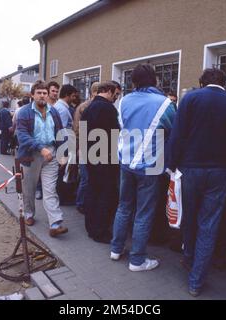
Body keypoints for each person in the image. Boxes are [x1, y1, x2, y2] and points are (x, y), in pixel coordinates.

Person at [167, 68, 226, 296]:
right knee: (209, 225)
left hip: (190, 169)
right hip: (220, 172)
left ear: (202, 82)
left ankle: (188, 257)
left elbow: (178, 135)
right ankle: (196, 281)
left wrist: (171, 165)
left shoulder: (190, 98)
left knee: (189, 216)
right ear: (224, 82)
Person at [111, 64, 175, 271]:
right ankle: (137, 260)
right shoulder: (165, 103)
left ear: (133, 82)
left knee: (124, 206)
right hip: (149, 165)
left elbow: (123, 126)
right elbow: (174, 130)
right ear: (155, 80)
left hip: (126, 162)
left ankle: (116, 248)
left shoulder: (123, 101)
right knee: (143, 213)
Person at [16, 80, 68, 237]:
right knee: (29, 189)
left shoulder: (54, 112)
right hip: (31, 155)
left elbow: (60, 132)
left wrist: (62, 153)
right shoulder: (24, 112)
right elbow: (22, 135)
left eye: (44, 93)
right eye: (39, 92)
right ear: (32, 95)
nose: (42, 95)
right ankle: (29, 214)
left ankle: (55, 223)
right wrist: (40, 148)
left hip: (51, 154)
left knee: (50, 190)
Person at [80, 81, 120, 243]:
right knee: (105, 195)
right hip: (105, 158)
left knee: (92, 191)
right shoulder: (108, 108)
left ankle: (91, 227)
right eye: (116, 94)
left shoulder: (89, 107)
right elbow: (114, 134)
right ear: (109, 91)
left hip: (91, 155)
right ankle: (100, 231)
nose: (116, 98)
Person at [73, 82, 100, 214]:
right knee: (86, 177)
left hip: (88, 146)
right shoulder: (87, 107)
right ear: (94, 92)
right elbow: (79, 129)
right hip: (85, 146)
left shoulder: (85, 106)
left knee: (87, 177)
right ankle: (80, 202)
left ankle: (83, 201)